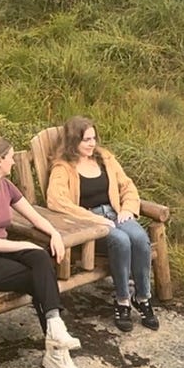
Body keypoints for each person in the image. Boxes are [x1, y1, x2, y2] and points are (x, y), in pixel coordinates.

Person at [0, 135, 86, 368]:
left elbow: (34, 216)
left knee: (41, 262)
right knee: (38, 276)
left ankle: (55, 331)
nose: (14, 162)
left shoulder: (6, 186)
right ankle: (58, 350)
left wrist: (54, 233)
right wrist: (28, 244)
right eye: (11, 157)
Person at [46, 116, 159, 333]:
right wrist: (95, 219)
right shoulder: (63, 168)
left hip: (116, 213)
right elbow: (56, 200)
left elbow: (127, 186)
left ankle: (143, 297)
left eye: (93, 138)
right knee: (121, 241)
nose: (91, 143)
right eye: (85, 140)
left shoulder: (105, 159)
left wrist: (127, 208)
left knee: (140, 238)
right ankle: (123, 300)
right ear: (72, 142)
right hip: (89, 222)